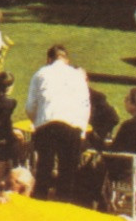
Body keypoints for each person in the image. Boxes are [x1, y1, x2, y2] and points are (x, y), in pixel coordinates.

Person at [25, 45, 91, 201]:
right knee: (68, 172)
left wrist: (38, 122)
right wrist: (81, 131)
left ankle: (40, 201)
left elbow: (30, 106)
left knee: (44, 169)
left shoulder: (40, 74)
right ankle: (64, 206)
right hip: (71, 125)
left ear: (49, 59)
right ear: (66, 60)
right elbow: (85, 105)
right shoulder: (77, 76)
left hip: (47, 124)